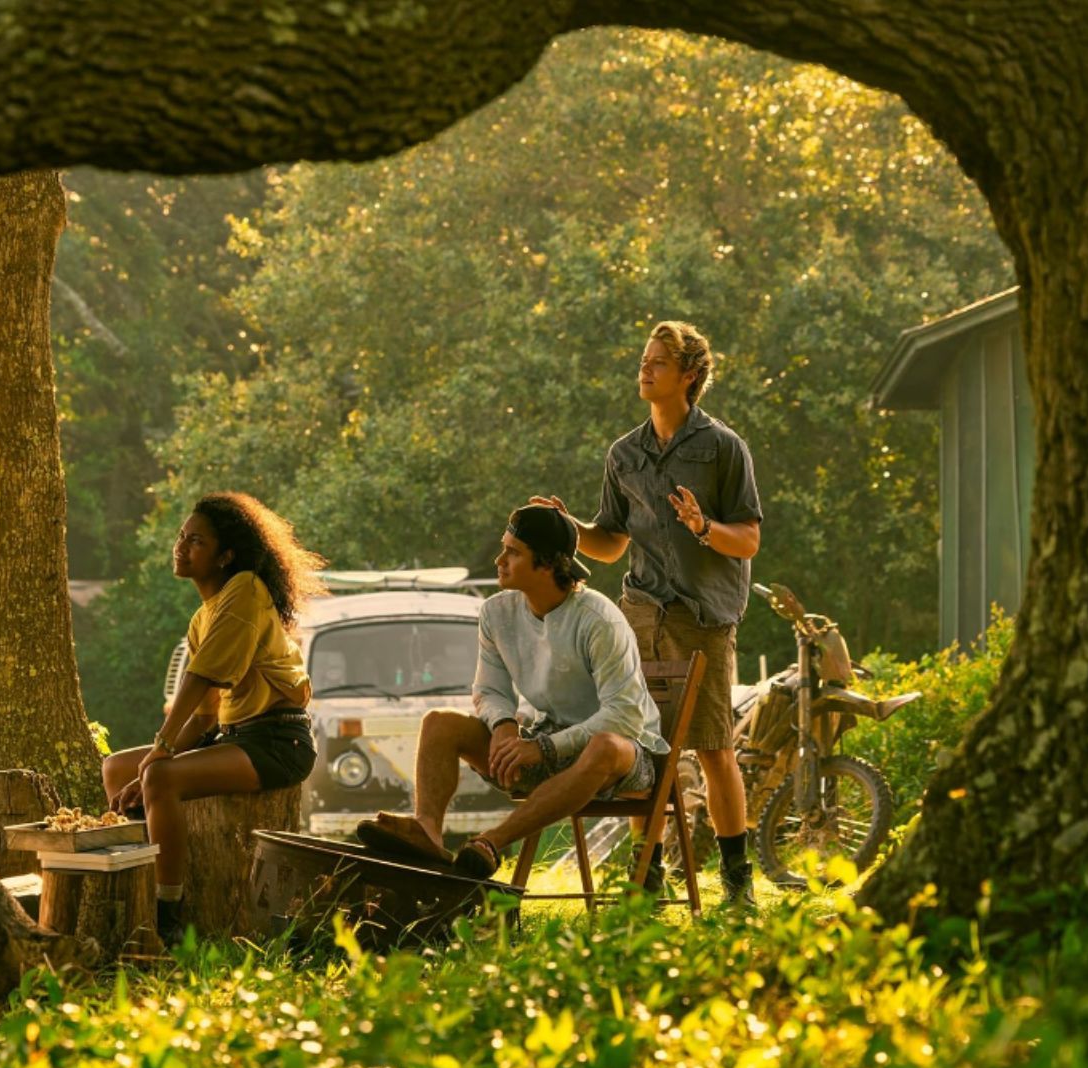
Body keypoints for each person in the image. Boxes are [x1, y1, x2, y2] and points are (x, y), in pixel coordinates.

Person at [530, 320, 763, 905]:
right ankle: (647, 882)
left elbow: (749, 540)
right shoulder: (624, 454)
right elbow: (609, 543)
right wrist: (570, 528)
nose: (644, 369)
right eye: (643, 359)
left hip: (702, 620)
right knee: (642, 745)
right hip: (638, 616)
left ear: (689, 375)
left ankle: (738, 886)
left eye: (658, 362)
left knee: (712, 748)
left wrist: (704, 527)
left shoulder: (722, 448)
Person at [356, 506, 668, 879]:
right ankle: (427, 831)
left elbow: (624, 716)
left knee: (604, 743)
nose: (499, 560)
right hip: (542, 746)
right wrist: (504, 727)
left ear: (548, 564)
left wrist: (542, 748)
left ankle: (489, 844)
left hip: (620, 761)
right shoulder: (495, 613)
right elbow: (488, 689)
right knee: (439, 724)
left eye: (514, 552)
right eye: (504, 548)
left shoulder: (598, 618)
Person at [102, 492, 325, 942]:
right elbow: (205, 720)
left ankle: (166, 912)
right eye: (181, 536)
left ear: (226, 555)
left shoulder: (245, 590)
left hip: (279, 741)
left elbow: (202, 679)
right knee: (117, 768)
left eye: (196, 541)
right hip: (231, 736)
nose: (180, 546)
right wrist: (147, 763)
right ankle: (135, 880)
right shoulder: (202, 619)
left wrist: (159, 754)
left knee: (159, 779)